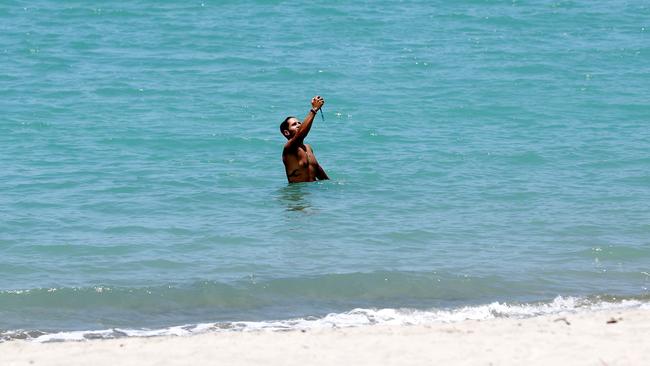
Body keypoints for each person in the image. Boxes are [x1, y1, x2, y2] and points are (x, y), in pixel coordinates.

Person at [280, 95, 329, 183]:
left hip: (311, 194)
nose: (299, 124)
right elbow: (300, 135)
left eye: (300, 123)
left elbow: (319, 173)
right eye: (294, 124)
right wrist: (314, 109)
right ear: (286, 132)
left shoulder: (308, 148)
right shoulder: (289, 148)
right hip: (296, 195)